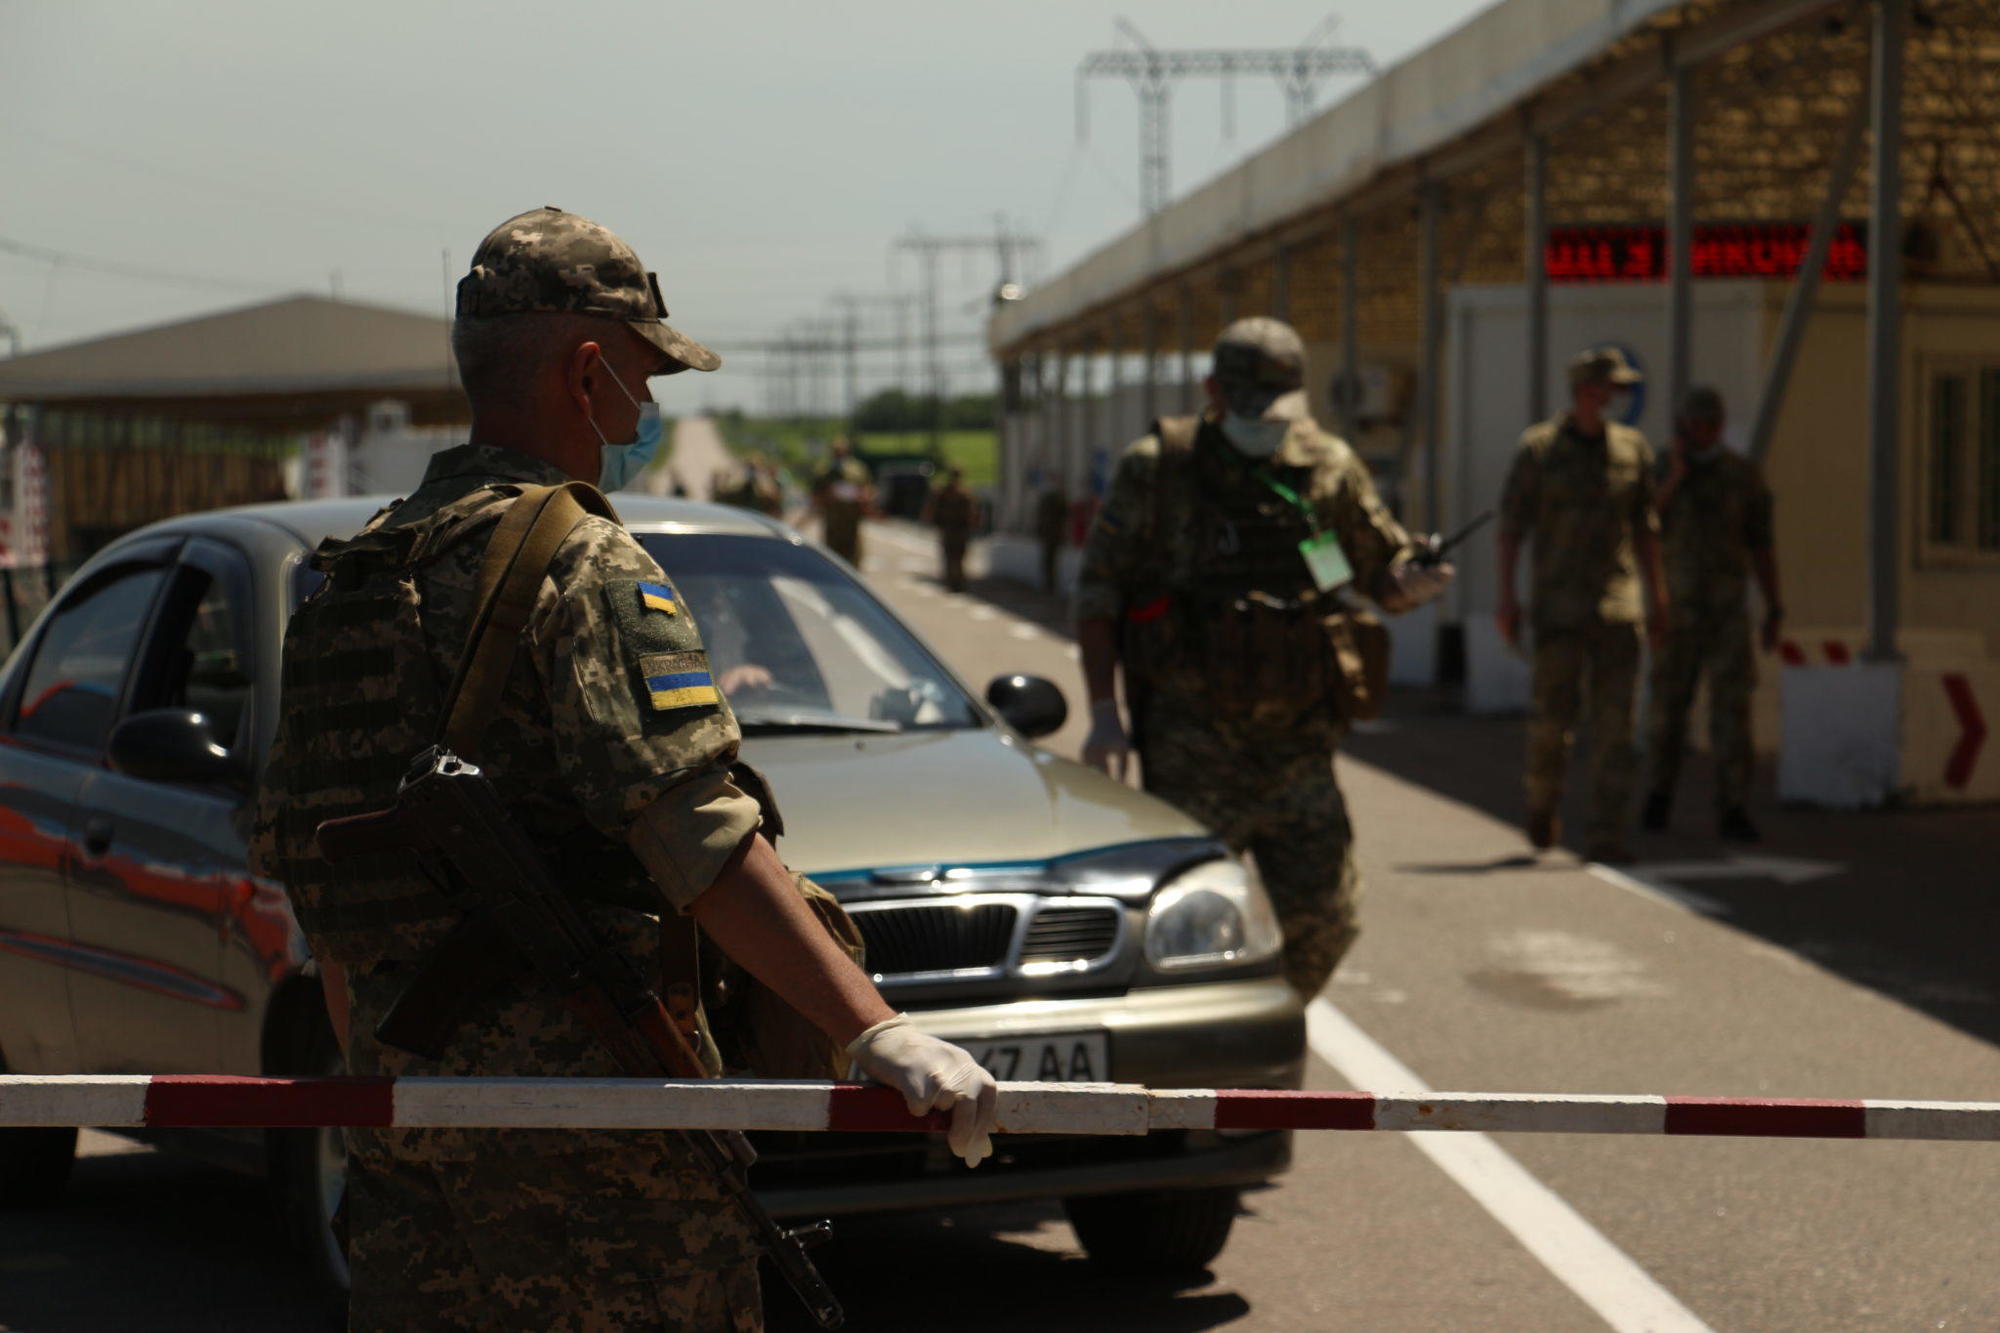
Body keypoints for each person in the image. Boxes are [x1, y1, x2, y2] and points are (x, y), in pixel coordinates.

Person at [249, 206, 997, 1332]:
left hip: (408, 1125)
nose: (644, 410)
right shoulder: (584, 561)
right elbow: (694, 830)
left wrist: (379, 1096)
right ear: (587, 369)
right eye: (642, 378)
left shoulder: (351, 578)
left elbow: (329, 887)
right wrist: (873, 1029)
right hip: (593, 1113)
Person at [1074, 317, 1452, 999]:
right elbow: (1099, 590)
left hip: (1298, 748)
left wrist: (1413, 581)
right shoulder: (1159, 470)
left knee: (1325, 920)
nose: (1263, 422)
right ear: (1212, 391)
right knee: (1171, 935)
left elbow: (1376, 574)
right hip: (1190, 747)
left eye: (1276, 408)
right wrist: (1104, 712)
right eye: (1249, 406)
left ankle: (1266, 1036)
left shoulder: (1327, 468)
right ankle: (1200, 1086)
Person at [1496, 345, 1668, 863]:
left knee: (1616, 729)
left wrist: (1658, 600)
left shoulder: (1632, 450)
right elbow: (1511, 528)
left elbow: (1645, 530)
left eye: (1616, 388)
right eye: (1607, 386)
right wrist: (1507, 598)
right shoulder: (1540, 449)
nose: (1613, 396)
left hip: (1618, 609)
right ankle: (1542, 804)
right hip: (1559, 610)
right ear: (1584, 390)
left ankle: (1606, 834)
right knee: (1553, 725)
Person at [1643, 385, 1783, 841]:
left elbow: (1761, 544)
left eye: (1710, 424)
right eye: (1694, 424)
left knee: (1732, 711)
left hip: (1725, 614)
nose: (1703, 432)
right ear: (1682, 427)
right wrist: (1676, 477)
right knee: (1667, 708)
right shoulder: (1662, 468)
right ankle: (1657, 797)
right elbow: (1642, 525)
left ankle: (1733, 805)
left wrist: (1774, 604)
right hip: (1676, 610)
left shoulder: (1742, 475)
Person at [810, 438, 872, 565]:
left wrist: (863, 498)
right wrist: (827, 496)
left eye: (842, 451)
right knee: (832, 559)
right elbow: (815, 495)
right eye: (837, 451)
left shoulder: (857, 469)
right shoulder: (824, 471)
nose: (839, 454)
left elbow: (866, 490)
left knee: (853, 557)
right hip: (833, 521)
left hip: (852, 520)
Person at [924, 466, 979, 592]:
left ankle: (955, 581)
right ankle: (955, 581)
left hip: (955, 529)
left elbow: (971, 513)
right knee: (954, 557)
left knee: (953, 557)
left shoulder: (948, 492)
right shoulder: (959, 493)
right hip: (953, 529)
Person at [1034, 474, 1069, 593]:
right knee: (1048, 560)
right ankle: (1049, 584)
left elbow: (1064, 513)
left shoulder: (1055, 497)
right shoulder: (1053, 497)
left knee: (1050, 560)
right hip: (1050, 533)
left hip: (1052, 533)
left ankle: (1050, 585)